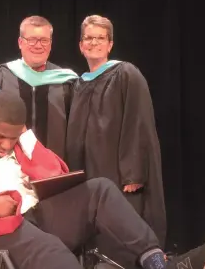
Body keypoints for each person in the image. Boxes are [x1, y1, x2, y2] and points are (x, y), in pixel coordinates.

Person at [0, 90, 205, 269]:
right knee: (47, 248)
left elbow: (56, 174)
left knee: (100, 191)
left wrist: (30, 147)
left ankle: (156, 260)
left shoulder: (23, 142)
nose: (7, 145)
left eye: (13, 136)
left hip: (35, 214)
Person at [65, 15, 167, 267]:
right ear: (80, 45)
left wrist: (133, 173)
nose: (94, 43)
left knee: (121, 232)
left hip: (118, 172)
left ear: (110, 44)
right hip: (88, 171)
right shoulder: (78, 83)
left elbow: (138, 122)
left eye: (100, 38)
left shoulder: (125, 73)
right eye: (88, 38)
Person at [0, 15, 78, 159]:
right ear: (20, 42)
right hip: (9, 165)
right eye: (31, 40)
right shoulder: (2, 75)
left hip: (54, 166)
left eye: (44, 40)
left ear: (50, 44)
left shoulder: (67, 81)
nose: (38, 45)